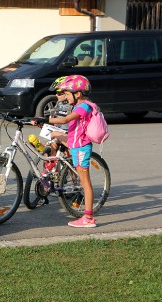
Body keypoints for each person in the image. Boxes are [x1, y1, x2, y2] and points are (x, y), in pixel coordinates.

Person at [35, 75, 97, 228]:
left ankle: (88, 218)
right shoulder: (78, 105)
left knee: (85, 183)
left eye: (68, 94)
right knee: (52, 138)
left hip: (81, 147)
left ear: (78, 94)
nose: (66, 96)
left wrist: (44, 119)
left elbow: (65, 120)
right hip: (74, 144)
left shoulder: (84, 106)